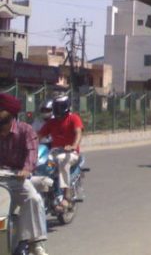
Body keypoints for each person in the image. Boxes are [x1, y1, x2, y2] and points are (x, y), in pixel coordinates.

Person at [0, 93, 49, 255]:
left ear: (12, 117)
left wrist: (26, 169)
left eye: (3, 120)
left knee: (33, 199)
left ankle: (36, 243)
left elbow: (32, 153)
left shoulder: (26, 130)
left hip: (17, 178)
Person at [38, 95, 84, 212]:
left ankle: (66, 195)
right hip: (54, 152)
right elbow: (39, 135)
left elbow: (78, 133)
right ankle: (47, 193)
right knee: (40, 163)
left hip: (71, 152)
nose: (58, 111)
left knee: (63, 160)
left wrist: (73, 146)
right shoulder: (51, 122)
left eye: (60, 108)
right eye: (56, 108)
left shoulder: (74, 118)